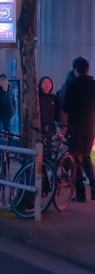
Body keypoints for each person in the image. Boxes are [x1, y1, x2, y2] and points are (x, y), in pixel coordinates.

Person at [62, 57, 95, 202]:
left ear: (75, 69)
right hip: (90, 126)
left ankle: (80, 194)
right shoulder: (93, 85)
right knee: (87, 157)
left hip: (75, 126)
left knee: (76, 159)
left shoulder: (72, 85)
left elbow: (65, 107)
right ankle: (94, 187)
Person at [38, 75, 61, 143]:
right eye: (45, 83)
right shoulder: (37, 98)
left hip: (51, 127)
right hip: (40, 126)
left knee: (49, 146)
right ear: (40, 84)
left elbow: (57, 112)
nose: (47, 85)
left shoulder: (54, 98)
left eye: (49, 83)